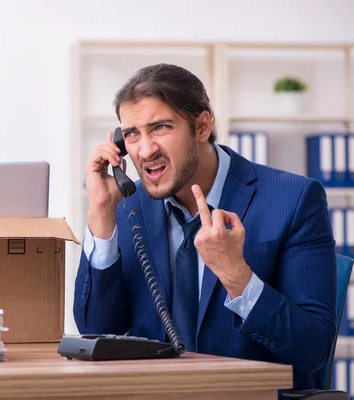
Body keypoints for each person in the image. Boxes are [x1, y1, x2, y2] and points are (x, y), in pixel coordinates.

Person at [73, 63, 336, 394]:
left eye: (160, 127)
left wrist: (237, 278)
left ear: (202, 125)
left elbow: (313, 349)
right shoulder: (127, 205)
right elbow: (97, 330)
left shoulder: (294, 199)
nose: (145, 149)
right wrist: (101, 217)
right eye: (132, 134)